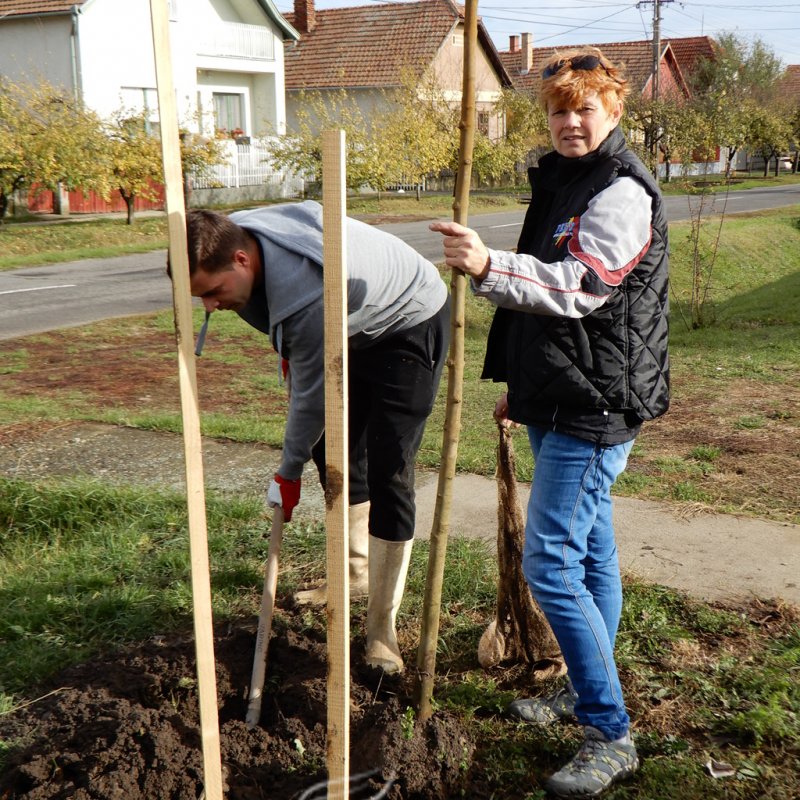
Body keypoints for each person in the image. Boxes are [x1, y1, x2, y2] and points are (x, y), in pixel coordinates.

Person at [431, 47, 669, 798]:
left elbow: (581, 288)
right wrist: (522, 391)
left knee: (552, 565)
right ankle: (583, 687)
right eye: (560, 110)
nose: (570, 121)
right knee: (590, 553)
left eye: (585, 109)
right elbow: (547, 311)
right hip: (561, 392)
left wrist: (485, 266)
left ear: (614, 111)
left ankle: (610, 730)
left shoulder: (622, 191)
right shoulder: (567, 178)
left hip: (597, 404)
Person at [182, 201, 449, 675]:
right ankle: (354, 571)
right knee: (335, 451)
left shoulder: (305, 292)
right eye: (200, 296)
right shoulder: (234, 237)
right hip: (347, 320)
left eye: (214, 291)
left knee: (390, 467)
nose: (209, 306)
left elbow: (310, 398)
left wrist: (286, 474)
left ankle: (381, 631)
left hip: (408, 316)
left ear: (242, 260)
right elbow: (302, 367)